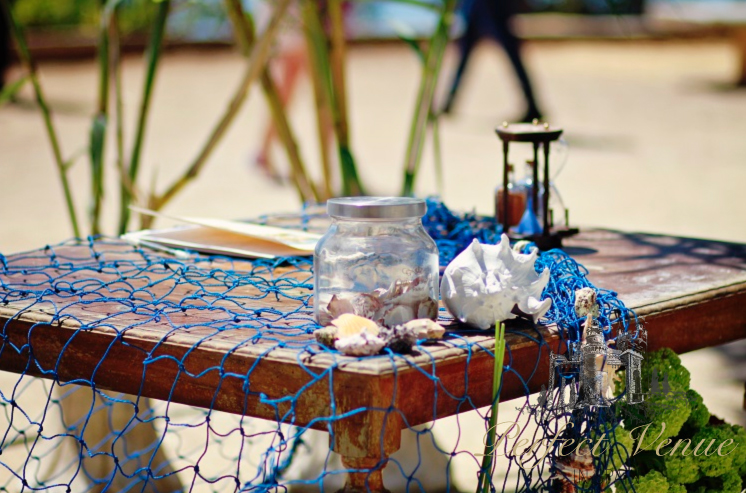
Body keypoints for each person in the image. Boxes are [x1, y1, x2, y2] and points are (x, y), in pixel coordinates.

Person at [441, 0, 543, 122]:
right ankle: (448, 103)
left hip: (491, 6)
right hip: (477, 6)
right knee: (464, 56)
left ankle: (532, 106)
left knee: (511, 54)